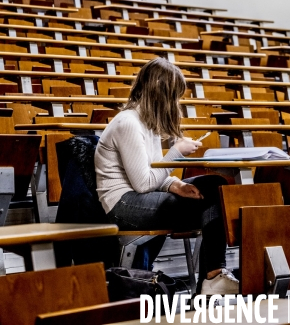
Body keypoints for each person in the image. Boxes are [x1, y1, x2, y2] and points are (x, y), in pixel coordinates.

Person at [95, 57, 239, 295]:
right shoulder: (128, 123)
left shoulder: (146, 123)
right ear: (160, 92)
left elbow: (151, 174)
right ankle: (213, 276)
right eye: (174, 96)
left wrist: (175, 185)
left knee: (214, 185)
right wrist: (176, 153)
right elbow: (143, 183)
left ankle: (213, 276)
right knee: (210, 202)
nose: (176, 103)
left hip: (139, 196)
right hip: (122, 205)